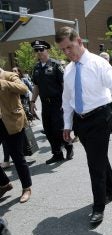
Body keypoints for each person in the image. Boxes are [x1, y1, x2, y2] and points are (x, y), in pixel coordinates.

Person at [55, 26, 112, 226]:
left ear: (79, 42)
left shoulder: (98, 63)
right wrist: (67, 125)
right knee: (99, 158)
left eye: (69, 47)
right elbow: (66, 101)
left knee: (94, 163)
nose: (67, 53)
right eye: (63, 50)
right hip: (80, 121)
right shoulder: (68, 70)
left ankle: (98, 206)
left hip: (99, 118)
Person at [30, 40, 74, 164]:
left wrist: (67, 103)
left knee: (59, 129)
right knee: (48, 130)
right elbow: (36, 86)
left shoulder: (56, 65)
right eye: (36, 50)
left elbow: (64, 84)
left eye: (41, 49)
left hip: (58, 103)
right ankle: (57, 153)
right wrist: (32, 101)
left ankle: (69, 146)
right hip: (45, 104)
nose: (39, 52)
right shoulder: (36, 68)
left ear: (47, 50)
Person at [0, 68, 34, 203]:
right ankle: (4, 183)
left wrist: (3, 83)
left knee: (17, 157)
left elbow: (24, 88)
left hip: (13, 122)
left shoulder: (9, 75)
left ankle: (27, 188)